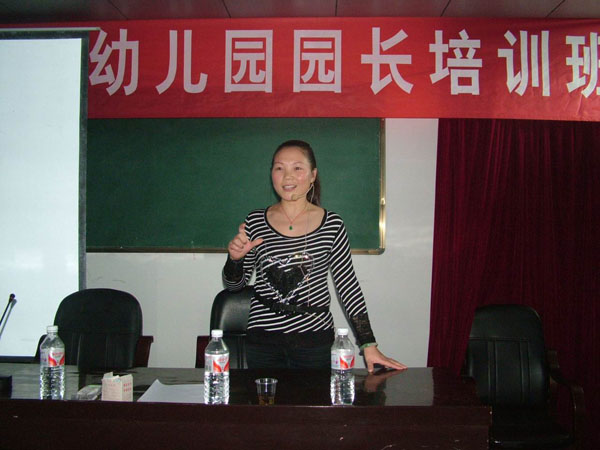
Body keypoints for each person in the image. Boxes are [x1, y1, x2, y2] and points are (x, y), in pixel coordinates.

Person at [223, 139, 407, 372]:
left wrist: (368, 343)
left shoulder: (332, 224)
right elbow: (234, 286)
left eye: (297, 168)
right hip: (263, 341)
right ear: (272, 174)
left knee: (314, 397)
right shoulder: (255, 221)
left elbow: (347, 286)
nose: (287, 176)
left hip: (314, 341)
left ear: (313, 175)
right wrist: (235, 260)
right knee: (266, 397)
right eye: (279, 168)